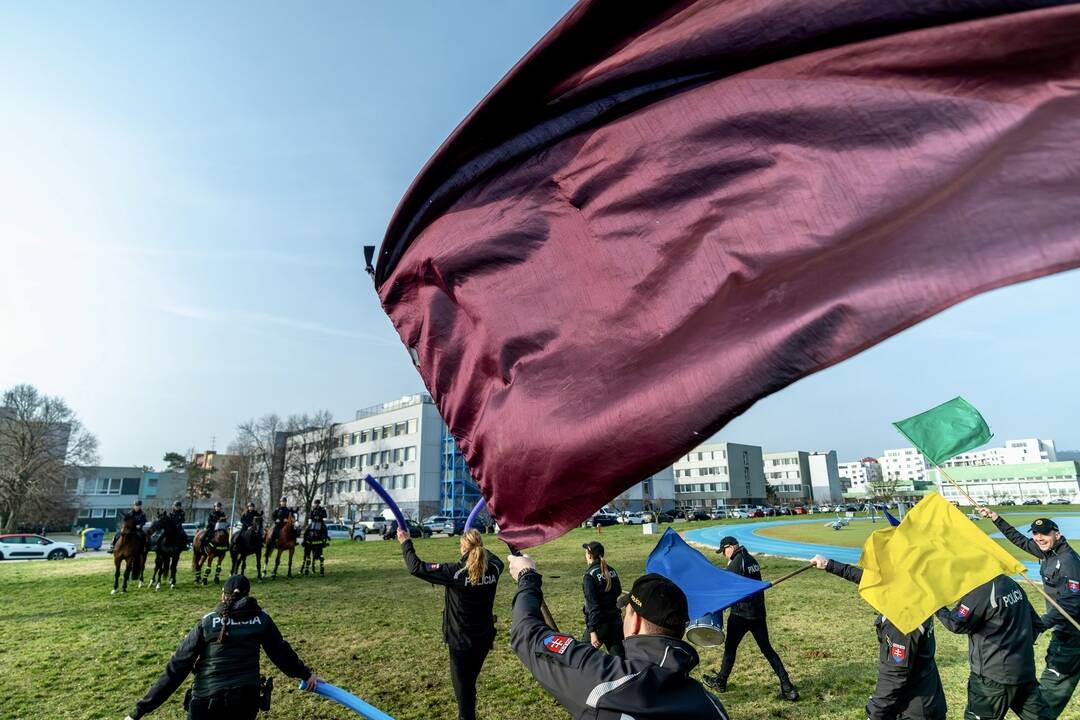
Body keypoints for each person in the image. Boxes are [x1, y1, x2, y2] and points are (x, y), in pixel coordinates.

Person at [507, 556, 729, 719]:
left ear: (635, 621)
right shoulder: (712, 706)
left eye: (627, 612)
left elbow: (526, 633)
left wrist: (527, 577)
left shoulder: (607, 682)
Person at [123, 574, 319, 720]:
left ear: (222, 596)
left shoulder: (206, 623)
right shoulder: (261, 620)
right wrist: (305, 675)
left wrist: (139, 711)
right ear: (247, 595)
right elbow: (281, 654)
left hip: (206, 702)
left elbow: (177, 667)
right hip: (245, 702)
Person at [810, 554, 947, 719]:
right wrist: (829, 565)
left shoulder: (901, 619)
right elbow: (868, 580)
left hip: (913, 710)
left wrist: (874, 714)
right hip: (925, 698)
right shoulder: (913, 592)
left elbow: (894, 676)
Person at [980, 509, 1080, 717]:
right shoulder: (1047, 552)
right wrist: (996, 518)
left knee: (1051, 689)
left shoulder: (1068, 561)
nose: (1039, 538)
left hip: (1072, 633)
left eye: (1044, 533)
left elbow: (1070, 604)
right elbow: (1019, 540)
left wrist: (1041, 624)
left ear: (1057, 534)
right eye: (1035, 533)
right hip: (1064, 630)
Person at [398, 526, 502, 720]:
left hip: (461, 643)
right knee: (468, 684)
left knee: (464, 693)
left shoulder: (456, 573)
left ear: (463, 548)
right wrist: (478, 546)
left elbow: (416, 567)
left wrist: (405, 542)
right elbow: (494, 558)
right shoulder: (495, 568)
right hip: (483, 640)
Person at [935, 574, 1052, 720]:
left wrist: (936, 606)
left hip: (992, 678)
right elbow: (1037, 624)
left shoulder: (982, 589)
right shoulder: (1011, 583)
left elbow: (956, 623)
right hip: (1023, 671)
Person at [702, 536, 799, 701]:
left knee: (730, 649)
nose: (724, 555)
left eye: (724, 551)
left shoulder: (736, 563)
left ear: (731, 547)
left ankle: (721, 682)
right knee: (767, 649)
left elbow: (724, 586)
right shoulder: (751, 560)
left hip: (741, 615)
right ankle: (787, 686)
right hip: (758, 614)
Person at [581, 541, 624, 657]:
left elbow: (593, 606)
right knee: (620, 660)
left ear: (589, 555)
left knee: (581, 656)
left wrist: (592, 631)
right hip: (616, 621)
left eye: (586, 552)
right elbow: (618, 591)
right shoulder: (612, 571)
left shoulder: (589, 576)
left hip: (600, 624)